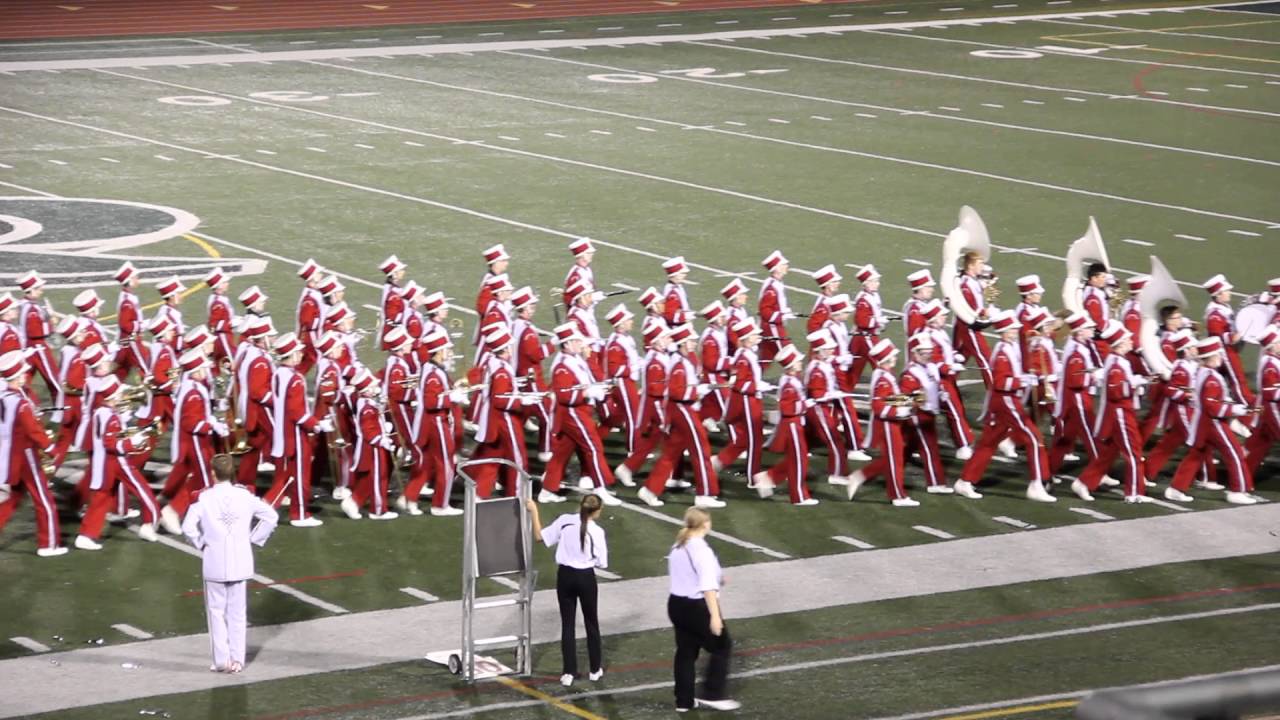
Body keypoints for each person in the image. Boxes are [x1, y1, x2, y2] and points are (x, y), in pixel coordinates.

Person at [181, 453, 279, 674]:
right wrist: (253, 538)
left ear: (213, 473)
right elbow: (271, 517)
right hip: (240, 561)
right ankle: (238, 660)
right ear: (232, 473)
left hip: (214, 561)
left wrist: (200, 543)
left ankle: (221, 661)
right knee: (237, 613)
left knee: (216, 612)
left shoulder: (204, 499)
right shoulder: (245, 496)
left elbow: (188, 527)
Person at [527, 494, 608, 688]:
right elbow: (603, 563)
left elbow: (540, 537)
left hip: (565, 576)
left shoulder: (565, 521)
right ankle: (595, 669)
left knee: (567, 624)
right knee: (591, 623)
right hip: (586, 577)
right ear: (597, 511)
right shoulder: (596, 531)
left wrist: (534, 511)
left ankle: (568, 672)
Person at [667, 507, 738, 713]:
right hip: (696, 607)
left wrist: (719, 577)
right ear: (706, 524)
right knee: (722, 646)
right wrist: (715, 616)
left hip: (676, 605)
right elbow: (707, 587)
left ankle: (684, 701)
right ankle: (713, 694)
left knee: (686, 652)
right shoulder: (702, 551)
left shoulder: (678, 545)